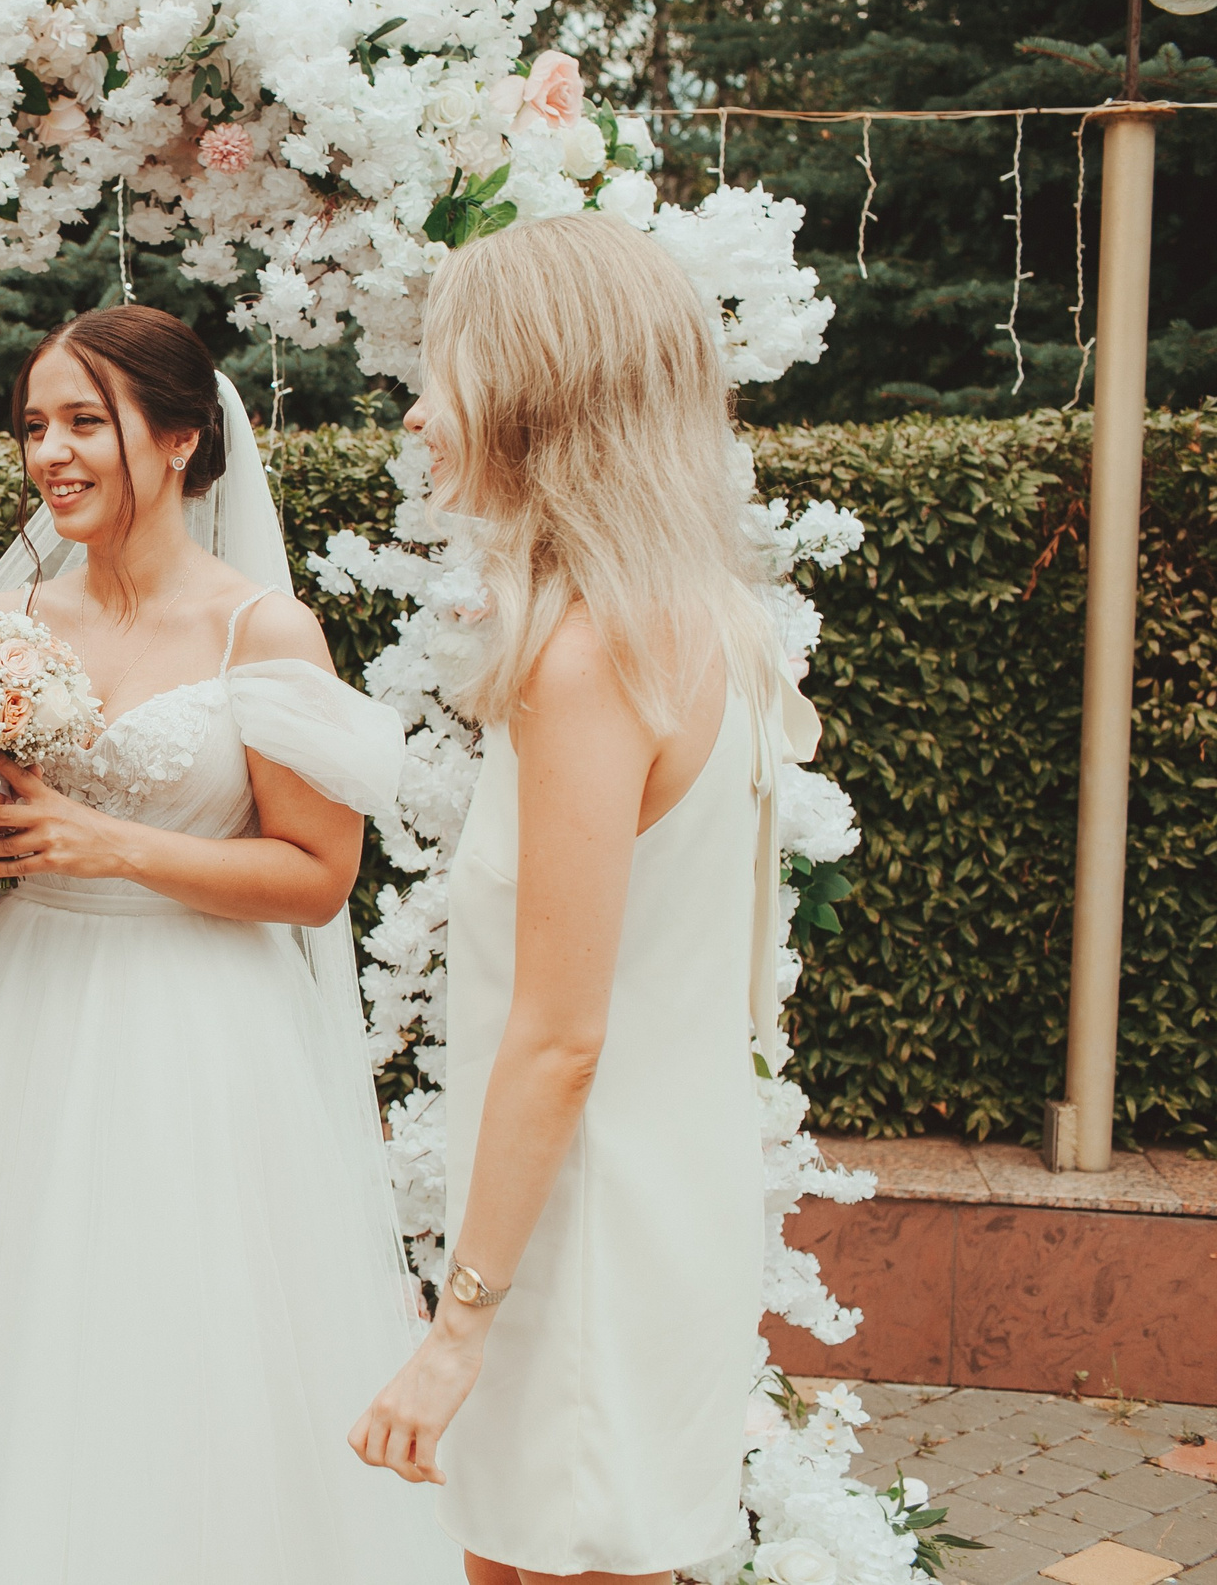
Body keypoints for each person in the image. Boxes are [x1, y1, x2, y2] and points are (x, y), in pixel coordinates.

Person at [0, 305, 455, 1584]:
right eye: (33, 427)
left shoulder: (259, 633)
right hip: (23, 1022)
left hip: (200, 1036)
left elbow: (314, 876)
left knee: (182, 1345)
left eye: (82, 423)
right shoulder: (10, 629)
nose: (49, 453)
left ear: (176, 440)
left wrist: (112, 847)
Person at [349, 212, 815, 1584]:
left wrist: (459, 1325)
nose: (423, 411)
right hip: (658, 1196)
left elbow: (560, 1035)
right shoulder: (702, 618)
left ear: (535, 389)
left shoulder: (590, 650)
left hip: (588, 1234)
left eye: (445, 370)